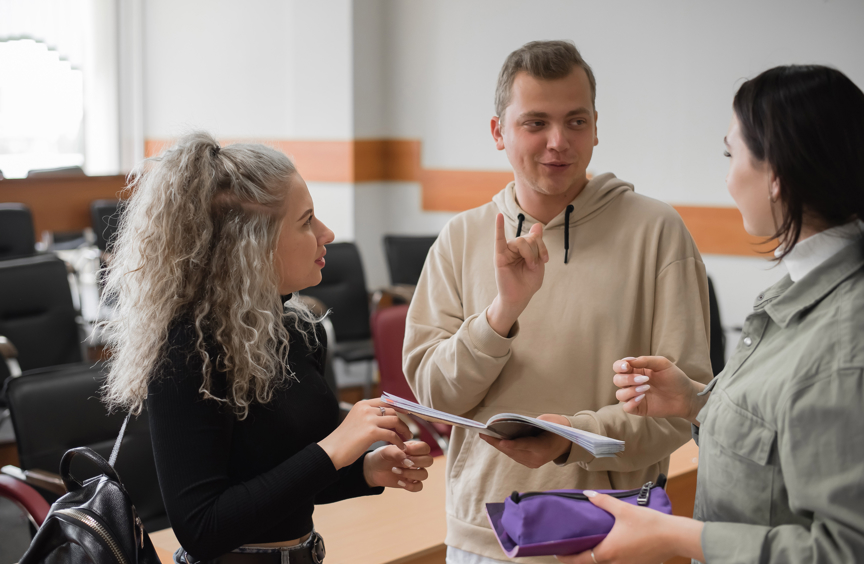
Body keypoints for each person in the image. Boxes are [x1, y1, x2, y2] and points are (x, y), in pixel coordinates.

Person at [402, 40, 714, 564]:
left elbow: (680, 410)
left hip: (616, 533)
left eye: (575, 121)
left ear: (596, 126)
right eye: (535, 123)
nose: (558, 142)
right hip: (487, 536)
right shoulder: (460, 238)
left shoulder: (658, 233)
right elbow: (435, 398)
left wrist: (575, 437)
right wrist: (501, 315)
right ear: (499, 131)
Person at [558, 65, 864, 564]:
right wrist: (697, 404)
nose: (725, 178)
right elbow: (785, 444)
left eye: (731, 154)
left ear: (776, 178)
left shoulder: (847, 340)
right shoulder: (803, 292)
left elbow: (844, 551)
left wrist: (675, 537)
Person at [100, 132, 434, 563]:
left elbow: (285, 479)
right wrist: (333, 450)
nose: (326, 233)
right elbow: (202, 527)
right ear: (251, 246)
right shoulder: (187, 352)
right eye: (306, 221)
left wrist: (365, 470)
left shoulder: (298, 331)